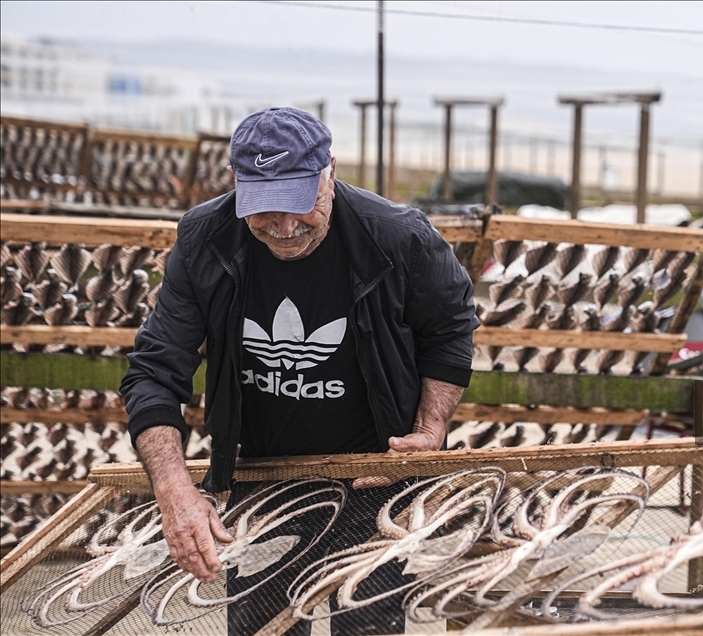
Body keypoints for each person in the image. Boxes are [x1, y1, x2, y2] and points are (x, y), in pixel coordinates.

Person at [120, 106, 478, 634]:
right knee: (265, 627)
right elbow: (153, 369)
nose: (285, 229)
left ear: (329, 172)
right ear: (237, 184)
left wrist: (429, 430)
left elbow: (449, 328)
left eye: (300, 204)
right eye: (265, 209)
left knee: (370, 624)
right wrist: (174, 489)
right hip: (264, 474)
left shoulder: (399, 236)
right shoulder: (204, 239)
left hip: (375, 474)